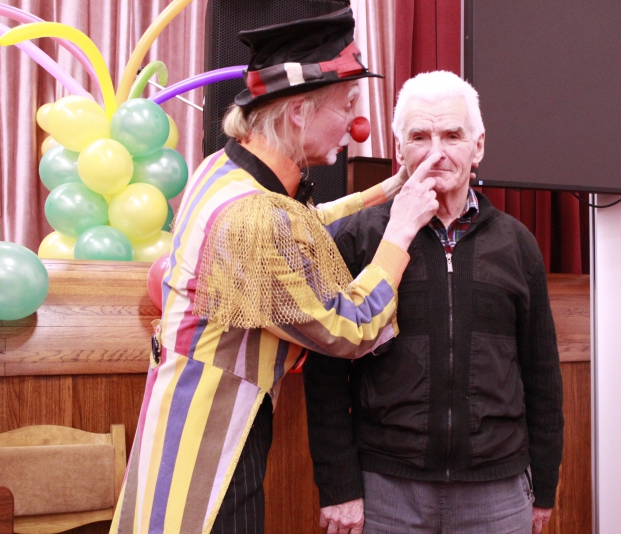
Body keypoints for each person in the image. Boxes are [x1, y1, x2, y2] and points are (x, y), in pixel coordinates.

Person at [110, 9, 441, 534]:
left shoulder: (225, 170)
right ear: (299, 113)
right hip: (210, 452)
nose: (356, 126)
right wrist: (398, 233)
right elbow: (346, 328)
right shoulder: (252, 217)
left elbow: (302, 226)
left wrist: (389, 188)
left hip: (193, 424)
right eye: (347, 106)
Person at [304, 71, 564, 534]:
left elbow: (541, 373)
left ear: (477, 147)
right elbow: (325, 378)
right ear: (399, 148)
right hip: (386, 490)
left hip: (498, 491)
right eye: (420, 136)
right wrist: (338, 486)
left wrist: (543, 485)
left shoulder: (517, 244)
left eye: (452, 136)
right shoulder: (359, 239)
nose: (436, 152)